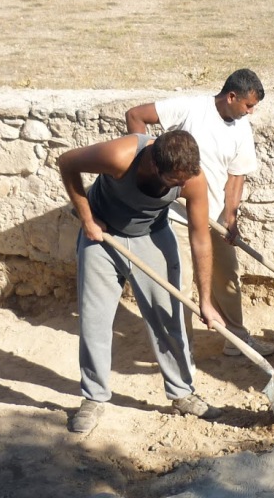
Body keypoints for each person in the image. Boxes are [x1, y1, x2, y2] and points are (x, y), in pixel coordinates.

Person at [57, 129, 226, 435]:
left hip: (152, 237)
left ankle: (182, 393)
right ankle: (93, 397)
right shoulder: (120, 156)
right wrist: (87, 218)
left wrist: (205, 299)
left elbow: (201, 238)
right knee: (95, 321)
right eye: (177, 182)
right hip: (102, 236)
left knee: (168, 318)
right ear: (154, 167)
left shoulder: (193, 180)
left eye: (188, 178)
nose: (185, 186)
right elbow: (67, 161)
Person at [125, 69, 274, 357]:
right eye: (248, 105)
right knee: (181, 286)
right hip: (176, 217)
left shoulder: (242, 128)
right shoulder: (190, 108)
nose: (251, 112)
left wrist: (230, 216)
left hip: (214, 218)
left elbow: (236, 175)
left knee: (227, 278)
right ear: (231, 96)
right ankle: (182, 353)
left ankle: (237, 340)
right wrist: (147, 161)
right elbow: (135, 115)